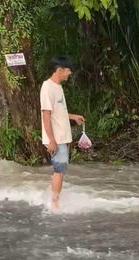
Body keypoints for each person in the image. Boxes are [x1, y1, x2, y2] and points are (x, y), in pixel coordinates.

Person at [40, 56, 85, 211]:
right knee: (59, 171)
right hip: (56, 138)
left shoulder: (58, 87)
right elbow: (46, 115)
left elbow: (58, 113)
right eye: (68, 70)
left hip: (61, 137)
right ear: (59, 70)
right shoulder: (47, 87)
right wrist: (51, 140)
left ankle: (55, 201)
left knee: (61, 171)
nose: (70, 73)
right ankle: (54, 205)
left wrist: (73, 117)